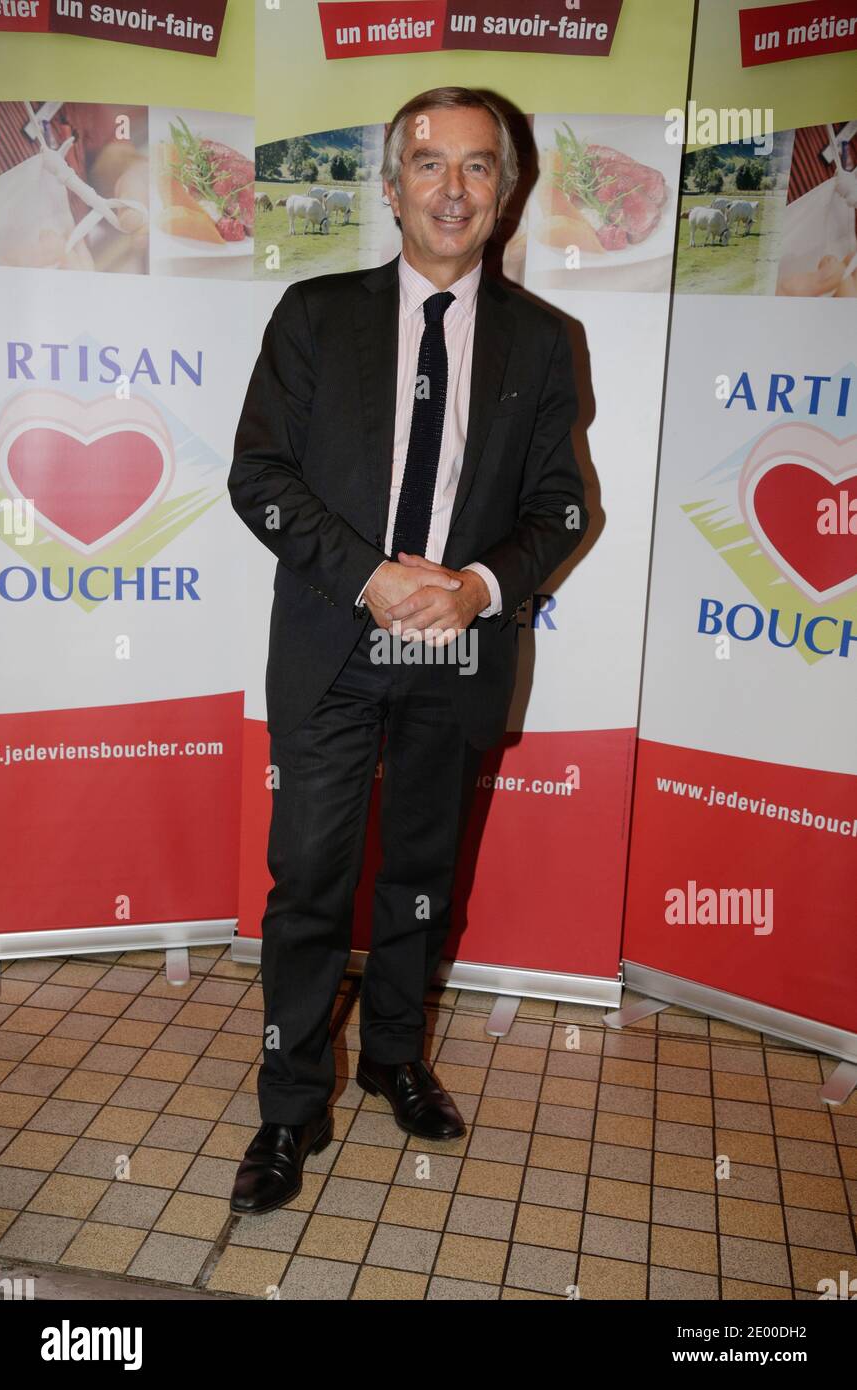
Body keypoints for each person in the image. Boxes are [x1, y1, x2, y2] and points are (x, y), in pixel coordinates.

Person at [227, 86, 589, 1214]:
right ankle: (290, 1104)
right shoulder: (313, 315)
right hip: (336, 641)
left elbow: (562, 510)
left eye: (477, 167)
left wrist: (475, 587)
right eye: (427, 164)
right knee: (310, 885)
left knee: (421, 880)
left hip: (456, 654)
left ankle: (391, 1051)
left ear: (506, 191)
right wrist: (371, 576)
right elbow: (259, 477)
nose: (452, 187)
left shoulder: (544, 339)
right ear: (389, 188)